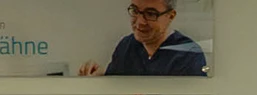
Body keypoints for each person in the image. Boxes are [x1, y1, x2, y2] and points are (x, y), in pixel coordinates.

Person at [79, 0, 208, 77]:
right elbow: (117, 91)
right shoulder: (126, 46)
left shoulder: (188, 55)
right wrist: (99, 77)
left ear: (170, 16)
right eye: (135, 11)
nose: (140, 22)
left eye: (150, 14)